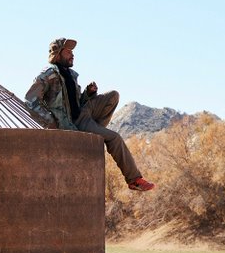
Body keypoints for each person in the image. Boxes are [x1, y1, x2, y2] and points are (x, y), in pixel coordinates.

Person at [24, 37, 155, 191]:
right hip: (70, 122)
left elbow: (76, 102)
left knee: (113, 95)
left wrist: (88, 94)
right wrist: (52, 122)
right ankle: (134, 179)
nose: (72, 55)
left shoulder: (71, 74)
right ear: (58, 54)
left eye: (72, 52)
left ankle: (95, 134)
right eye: (68, 52)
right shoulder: (47, 75)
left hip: (82, 113)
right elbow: (30, 102)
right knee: (115, 137)